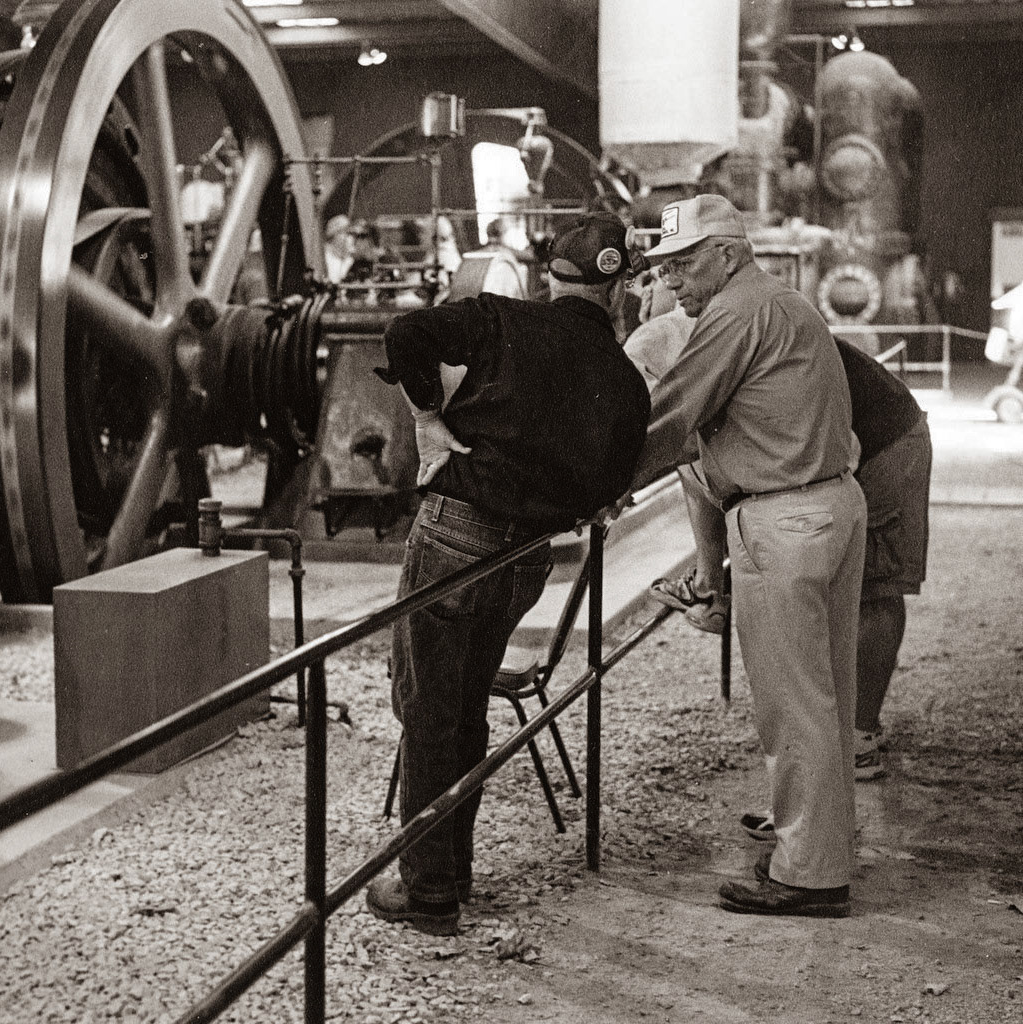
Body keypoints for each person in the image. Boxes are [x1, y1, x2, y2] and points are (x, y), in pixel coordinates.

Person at [366, 213, 650, 936]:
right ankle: (450, 869)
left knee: (428, 706)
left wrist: (428, 419)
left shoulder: (502, 320)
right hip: (526, 562)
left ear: (549, 276)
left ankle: (428, 890)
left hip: (455, 536)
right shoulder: (624, 382)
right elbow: (607, 496)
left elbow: (404, 335)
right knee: (464, 705)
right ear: (617, 290)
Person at [628, 194, 865, 918]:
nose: (673, 283)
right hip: (830, 502)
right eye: (665, 269)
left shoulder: (733, 312)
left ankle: (809, 876)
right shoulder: (780, 302)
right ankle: (820, 841)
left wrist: (593, 487)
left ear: (729, 254)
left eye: (685, 264)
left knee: (794, 708)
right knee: (827, 697)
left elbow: (671, 418)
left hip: (784, 518)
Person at [642, 331, 932, 783]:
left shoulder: (726, 341)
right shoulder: (696, 344)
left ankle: (859, 737)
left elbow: (831, 452)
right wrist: (711, 581)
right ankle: (828, 739)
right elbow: (693, 462)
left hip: (882, 441)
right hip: (833, 452)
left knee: (874, 589)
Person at [323, 213, 355, 282]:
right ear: (333, 236)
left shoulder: (351, 261)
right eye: (345, 232)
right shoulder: (324, 257)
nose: (349, 238)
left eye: (350, 234)